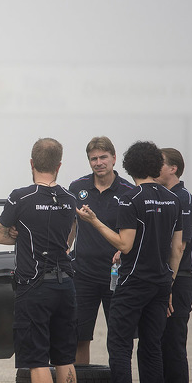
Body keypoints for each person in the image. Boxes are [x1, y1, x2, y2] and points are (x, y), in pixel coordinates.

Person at [77, 141, 184, 383]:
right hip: (161, 283)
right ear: (154, 166)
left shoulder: (130, 198)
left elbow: (125, 244)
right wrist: (169, 283)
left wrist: (96, 221)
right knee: (151, 347)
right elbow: (178, 248)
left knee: (120, 346)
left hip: (133, 282)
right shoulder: (172, 199)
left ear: (128, 166)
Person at [0, 137, 77, 383]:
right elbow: (69, 239)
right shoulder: (70, 199)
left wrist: (16, 233)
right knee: (65, 358)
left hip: (34, 285)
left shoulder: (20, 198)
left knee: (38, 360)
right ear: (59, 165)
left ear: (31, 163)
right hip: (65, 283)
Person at [68, 137, 135, 364]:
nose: (98, 163)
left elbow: (134, 235)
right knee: (78, 337)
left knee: (118, 338)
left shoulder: (128, 191)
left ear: (114, 159)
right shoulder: (77, 188)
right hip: (83, 275)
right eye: (93, 158)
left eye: (103, 157)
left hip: (115, 276)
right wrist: (64, 249)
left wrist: (124, 253)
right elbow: (71, 227)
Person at [155, 147, 192, 383]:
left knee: (172, 345)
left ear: (173, 169)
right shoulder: (166, 198)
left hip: (178, 280)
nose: (154, 168)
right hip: (169, 280)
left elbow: (179, 246)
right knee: (161, 344)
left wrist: (167, 286)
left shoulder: (183, 199)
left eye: (159, 164)